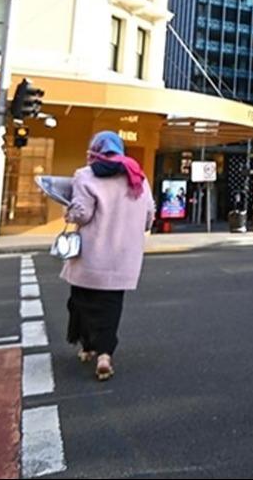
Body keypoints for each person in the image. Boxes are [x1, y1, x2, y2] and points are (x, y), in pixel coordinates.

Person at [62, 131, 155, 380]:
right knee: (111, 306)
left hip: (92, 254)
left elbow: (81, 214)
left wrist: (68, 211)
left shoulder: (86, 175)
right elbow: (148, 218)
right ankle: (105, 355)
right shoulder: (139, 178)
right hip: (123, 257)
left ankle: (87, 347)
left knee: (81, 301)